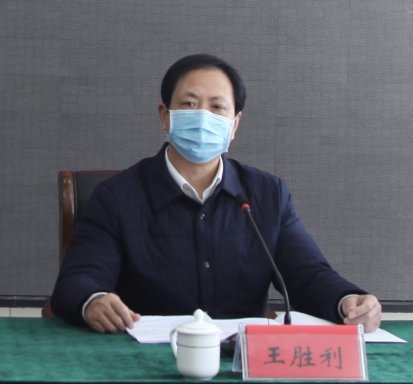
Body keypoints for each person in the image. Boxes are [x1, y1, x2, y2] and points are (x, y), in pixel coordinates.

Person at [50, 54, 382, 334]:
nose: (203, 117)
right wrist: (93, 301)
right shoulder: (117, 197)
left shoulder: (268, 195)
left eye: (217, 107)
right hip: (145, 355)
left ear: (234, 124)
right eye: (189, 104)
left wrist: (348, 301)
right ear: (165, 116)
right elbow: (79, 280)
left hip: (241, 360)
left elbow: (306, 274)